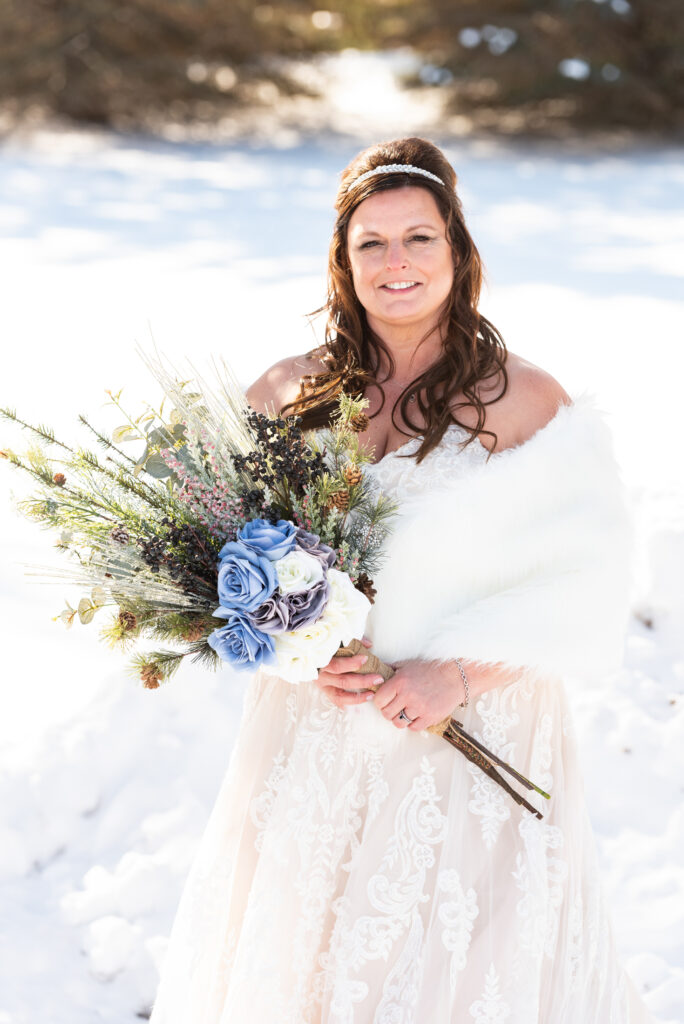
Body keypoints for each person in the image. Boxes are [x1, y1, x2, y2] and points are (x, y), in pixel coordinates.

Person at [148, 137, 654, 1022]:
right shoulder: (287, 394)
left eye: (419, 238)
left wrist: (456, 673)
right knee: (310, 969)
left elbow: (588, 582)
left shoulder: (524, 401)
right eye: (371, 243)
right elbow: (218, 558)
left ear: (458, 252)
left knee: (452, 974)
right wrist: (294, 650)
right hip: (317, 734)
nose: (397, 263)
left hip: (473, 723)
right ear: (342, 264)